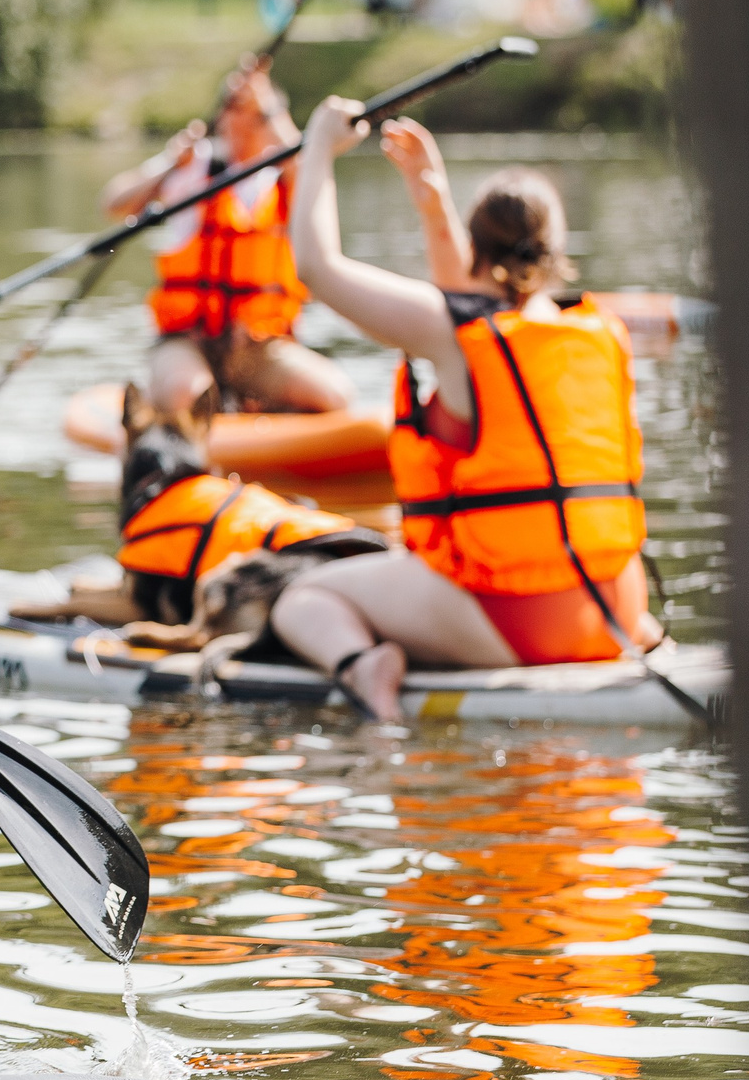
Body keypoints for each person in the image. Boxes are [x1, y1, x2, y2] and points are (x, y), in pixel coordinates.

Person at [266, 100, 663, 721]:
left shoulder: (455, 336)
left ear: (477, 244)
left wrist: (316, 146)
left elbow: (317, 267)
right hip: (618, 611)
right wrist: (433, 202)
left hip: (520, 624)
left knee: (303, 598)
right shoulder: (593, 331)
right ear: (555, 253)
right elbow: (468, 300)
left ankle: (365, 671)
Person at [97, 61, 353, 418]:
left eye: (253, 114)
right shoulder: (194, 166)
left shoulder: (289, 175)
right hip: (189, 341)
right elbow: (114, 202)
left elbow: (309, 161)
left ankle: (257, 411)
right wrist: (169, 163)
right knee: (188, 394)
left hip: (260, 348)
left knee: (334, 393)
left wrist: (266, 102)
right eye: (231, 111)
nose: (239, 122)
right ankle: (190, 406)